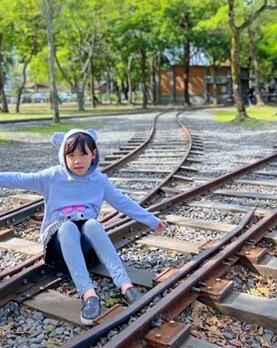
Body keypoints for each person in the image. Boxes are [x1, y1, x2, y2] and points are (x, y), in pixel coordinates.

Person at [0, 129, 167, 325]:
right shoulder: (52, 177)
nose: (77, 161)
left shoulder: (99, 180)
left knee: (93, 224)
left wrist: (152, 221)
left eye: (83, 154)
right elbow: (19, 178)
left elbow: (123, 202)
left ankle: (125, 285)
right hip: (58, 247)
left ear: (93, 154)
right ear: (63, 155)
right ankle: (88, 294)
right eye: (71, 155)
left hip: (87, 250)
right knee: (68, 228)